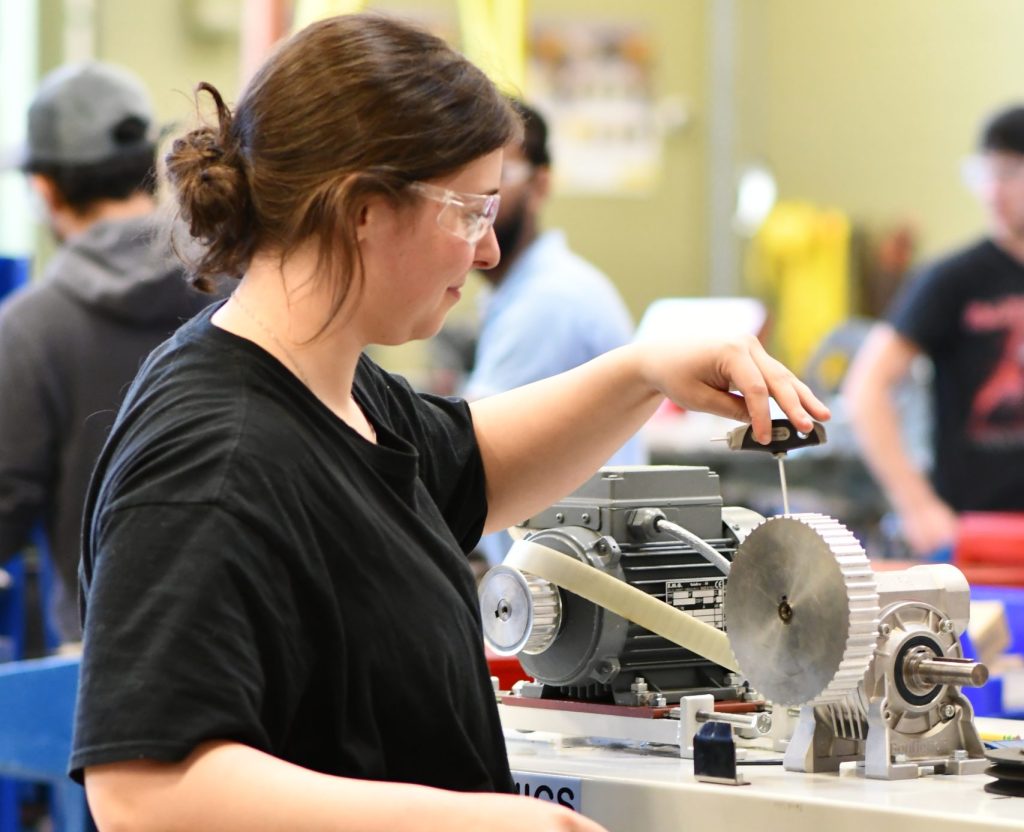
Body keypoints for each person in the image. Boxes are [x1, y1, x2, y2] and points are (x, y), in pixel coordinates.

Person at [71, 15, 828, 831]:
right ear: (363, 210)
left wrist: (642, 369)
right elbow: (145, 792)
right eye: (470, 211)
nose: (489, 251)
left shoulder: (336, 388)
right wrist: (490, 823)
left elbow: (475, 465)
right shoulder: (212, 457)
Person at [0, 61, 217, 646]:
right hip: (256, 649)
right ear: (153, 167)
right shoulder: (242, 287)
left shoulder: (31, 328)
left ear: (45, 189)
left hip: (101, 665)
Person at [463, 99, 644, 563]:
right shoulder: (520, 292)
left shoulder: (548, 302)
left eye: (497, 182)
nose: (479, 209)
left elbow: (466, 467)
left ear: (541, 184)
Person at [844, 104, 1024, 558]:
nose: (992, 193)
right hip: (976, 534)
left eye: (1009, 175)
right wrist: (917, 504)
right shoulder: (953, 280)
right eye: (985, 175)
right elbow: (867, 386)